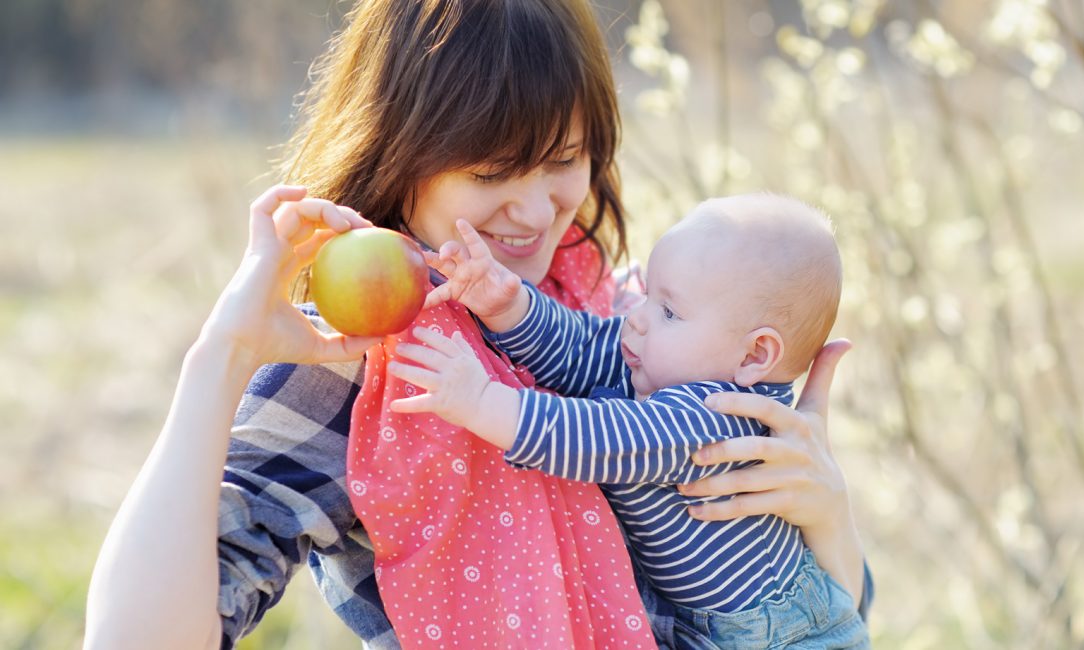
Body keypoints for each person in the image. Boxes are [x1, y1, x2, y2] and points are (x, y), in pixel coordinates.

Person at [84, 1, 870, 648]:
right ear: (400, 151)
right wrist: (220, 358)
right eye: (492, 173)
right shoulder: (371, 359)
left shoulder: (608, 303)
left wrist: (826, 515)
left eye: (564, 159)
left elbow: (822, 610)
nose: (535, 212)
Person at [384, 193, 868, 648]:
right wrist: (508, 306)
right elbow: (582, 346)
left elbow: (594, 439)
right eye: (648, 297)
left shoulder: (717, 418)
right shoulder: (669, 363)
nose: (636, 318)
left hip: (784, 635)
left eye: (669, 311)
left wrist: (480, 400)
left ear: (755, 354)